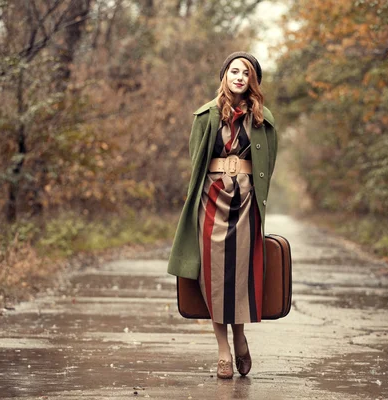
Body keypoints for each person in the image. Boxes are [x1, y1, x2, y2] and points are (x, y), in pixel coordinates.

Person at [167, 52, 278, 379]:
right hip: (211, 198)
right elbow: (195, 160)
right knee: (213, 274)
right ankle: (222, 349)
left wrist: (252, 189)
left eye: (247, 72)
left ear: (253, 81)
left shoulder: (263, 119)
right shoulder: (206, 115)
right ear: (225, 75)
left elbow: (267, 165)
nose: (240, 76)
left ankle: (240, 337)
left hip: (245, 199)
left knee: (240, 273)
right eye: (234, 71)